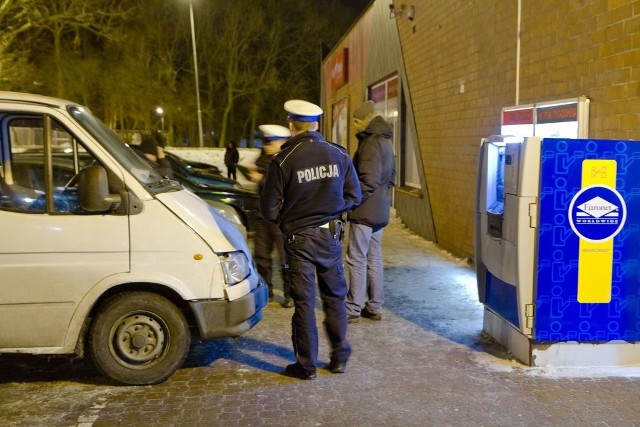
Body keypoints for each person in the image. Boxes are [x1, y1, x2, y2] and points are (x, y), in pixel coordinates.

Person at [260, 99, 362, 380]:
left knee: (304, 303)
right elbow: (355, 196)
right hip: (329, 237)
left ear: (291, 126)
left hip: (298, 240)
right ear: (316, 125)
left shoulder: (283, 160)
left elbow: (267, 210)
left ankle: (306, 366)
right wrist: (331, 211)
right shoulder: (338, 155)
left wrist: (290, 221)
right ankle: (339, 357)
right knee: (334, 299)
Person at [344, 100, 396, 323]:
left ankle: (353, 307)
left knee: (356, 257)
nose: (354, 126)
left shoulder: (370, 143)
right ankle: (374, 306)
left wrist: (352, 201)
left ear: (364, 120)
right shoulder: (386, 141)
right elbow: (390, 178)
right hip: (380, 208)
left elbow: (368, 180)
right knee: (374, 257)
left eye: (356, 121)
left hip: (365, 210)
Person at [249, 124, 293, 308]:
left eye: (269, 141)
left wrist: (262, 179)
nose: (265, 145)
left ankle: (290, 294)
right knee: (261, 256)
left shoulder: (288, 160)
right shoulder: (263, 158)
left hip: (281, 217)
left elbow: (284, 186)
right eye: (264, 141)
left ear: (281, 142)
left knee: (286, 257)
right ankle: (267, 291)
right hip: (263, 216)